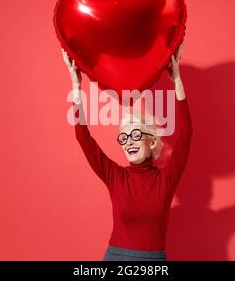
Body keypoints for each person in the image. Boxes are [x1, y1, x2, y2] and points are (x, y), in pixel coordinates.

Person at [62, 43, 193, 261]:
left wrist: (177, 79)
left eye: (135, 135)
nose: (128, 142)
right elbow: (82, 137)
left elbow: (186, 133)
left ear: (152, 142)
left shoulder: (166, 180)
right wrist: (76, 86)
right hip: (116, 258)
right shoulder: (116, 177)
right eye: (124, 137)